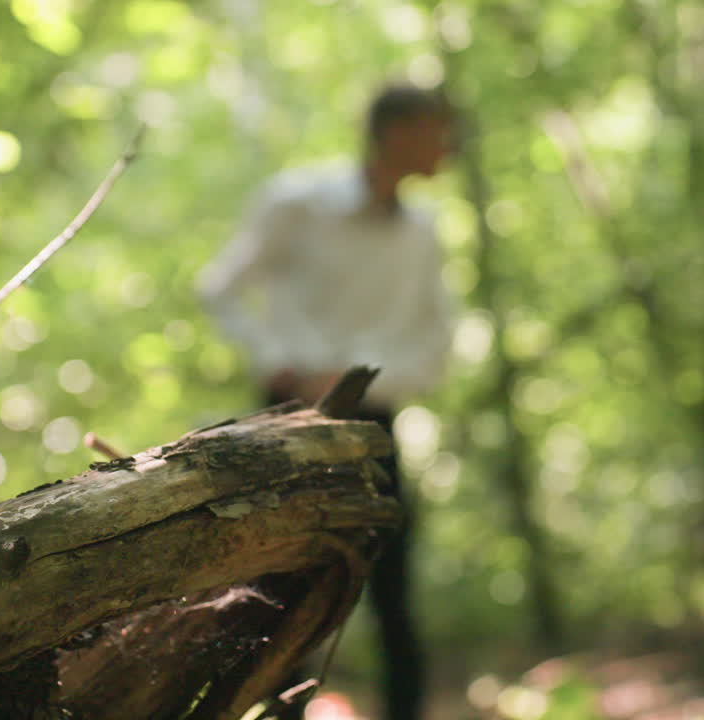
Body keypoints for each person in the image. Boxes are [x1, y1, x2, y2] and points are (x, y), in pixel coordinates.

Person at [198, 84, 455, 720]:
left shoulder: (423, 232)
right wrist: (278, 360)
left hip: (373, 422)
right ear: (393, 131)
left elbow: (439, 344)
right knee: (278, 586)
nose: (447, 144)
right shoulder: (298, 202)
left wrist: (372, 377)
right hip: (286, 417)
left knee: (392, 588)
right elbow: (220, 288)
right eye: (436, 128)